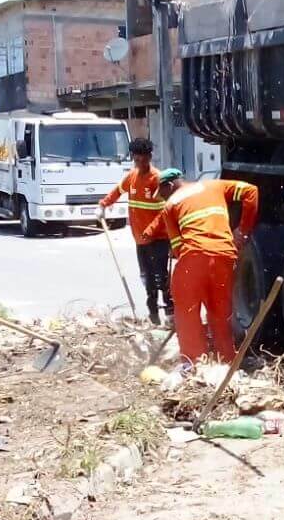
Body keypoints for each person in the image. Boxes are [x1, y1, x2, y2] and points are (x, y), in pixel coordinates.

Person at [155, 169, 259, 362]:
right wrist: (243, 231)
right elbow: (251, 191)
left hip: (194, 255)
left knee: (186, 311)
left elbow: (178, 250)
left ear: (169, 186)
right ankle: (226, 361)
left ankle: (194, 364)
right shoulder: (213, 185)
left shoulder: (170, 206)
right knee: (220, 312)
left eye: (161, 193)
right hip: (224, 254)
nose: (162, 198)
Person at [96, 137, 171, 323]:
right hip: (140, 239)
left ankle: (171, 313)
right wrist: (103, 205)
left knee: (161, 276)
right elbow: (117, 191)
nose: (140, 164)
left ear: (150, 157)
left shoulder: (157, 179)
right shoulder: (132, 177)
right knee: (146, 277)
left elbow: (166, 211)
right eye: (137, 160)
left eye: (144, 160)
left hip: (158, 239)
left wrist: (152, 230)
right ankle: (153, 314)